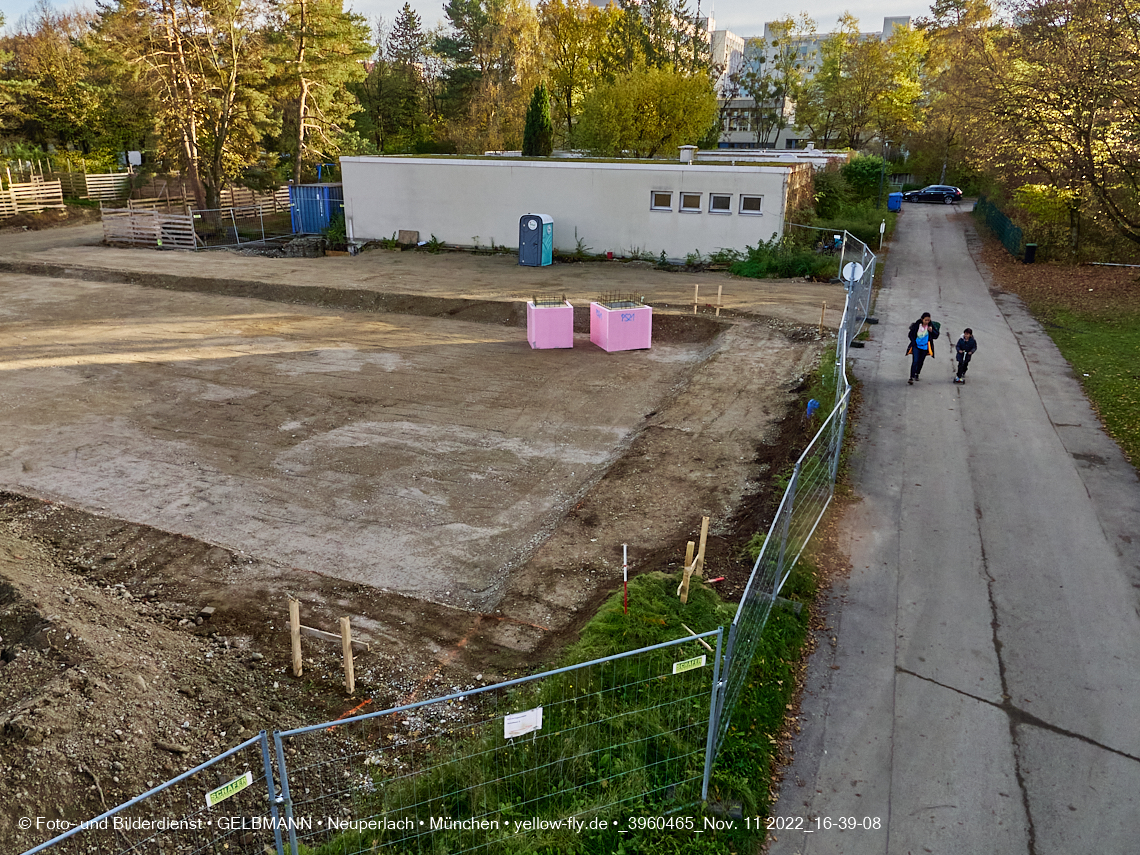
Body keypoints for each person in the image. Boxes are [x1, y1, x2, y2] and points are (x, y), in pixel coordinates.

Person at [906, 312, 939, 385]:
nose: (927, 321)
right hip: (916, 346)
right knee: (915, 361)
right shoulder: (917, 325)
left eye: (928, 320)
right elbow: (910, 334)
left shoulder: (930, 326)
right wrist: (914, 342)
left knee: (921, 361)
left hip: (925, 347)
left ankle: (917, 373)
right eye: (926, 320)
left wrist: (932, 331)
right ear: (922, 319)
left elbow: (936, 336)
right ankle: (911, 377)